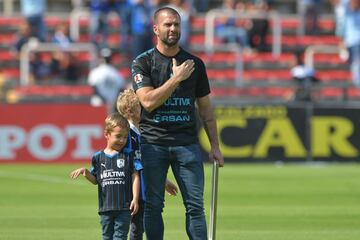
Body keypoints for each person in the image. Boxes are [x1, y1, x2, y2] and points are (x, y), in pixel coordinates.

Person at [131, 7, 224, 240]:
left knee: (195, 206)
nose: (173, 29)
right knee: (153, 206)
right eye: (167, 25)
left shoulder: (195, 64)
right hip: (153, 144)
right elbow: (148, 102)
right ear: (156, 29)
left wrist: (215, 146)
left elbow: (206, 110)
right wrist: (176, 79)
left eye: (176, 24)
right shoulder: (142, 62)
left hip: (187, 144)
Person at [116, 89, 179, 240]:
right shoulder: (126, 135)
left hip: (144, 190)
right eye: (140, 106)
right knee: (131, 229)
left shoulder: (142, 131)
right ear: (129, 110)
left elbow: (144, 163)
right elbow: (128, 164)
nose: (145, 108)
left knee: (139, 227)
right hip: (131, 191)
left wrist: (163, 181)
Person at [70, 112, 139, 240]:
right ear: (106, 134)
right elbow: (96, 180)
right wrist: (86, 172)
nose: (122, 140)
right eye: (118, 136)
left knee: (120, 236)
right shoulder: (98, 157)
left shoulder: (129, 155)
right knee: (106, 236)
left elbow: (135, 176)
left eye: (125, 137)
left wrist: (135, 198)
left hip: (124, 207)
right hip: (105, 208)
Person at [88, 48, 126, 113]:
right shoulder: (116, 73)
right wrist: (111, 102)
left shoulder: (95, 72)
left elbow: (93, 89)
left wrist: (106, 101)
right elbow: (121, 90)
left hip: (101, 103)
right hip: (108, 104)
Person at [336, 0, 360, 86]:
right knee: (355, 64)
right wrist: (341, 42)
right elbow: (342, 30)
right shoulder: (347, 14)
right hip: (352, 43)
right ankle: (357, 84)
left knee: (357, 64)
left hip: (356, 43)